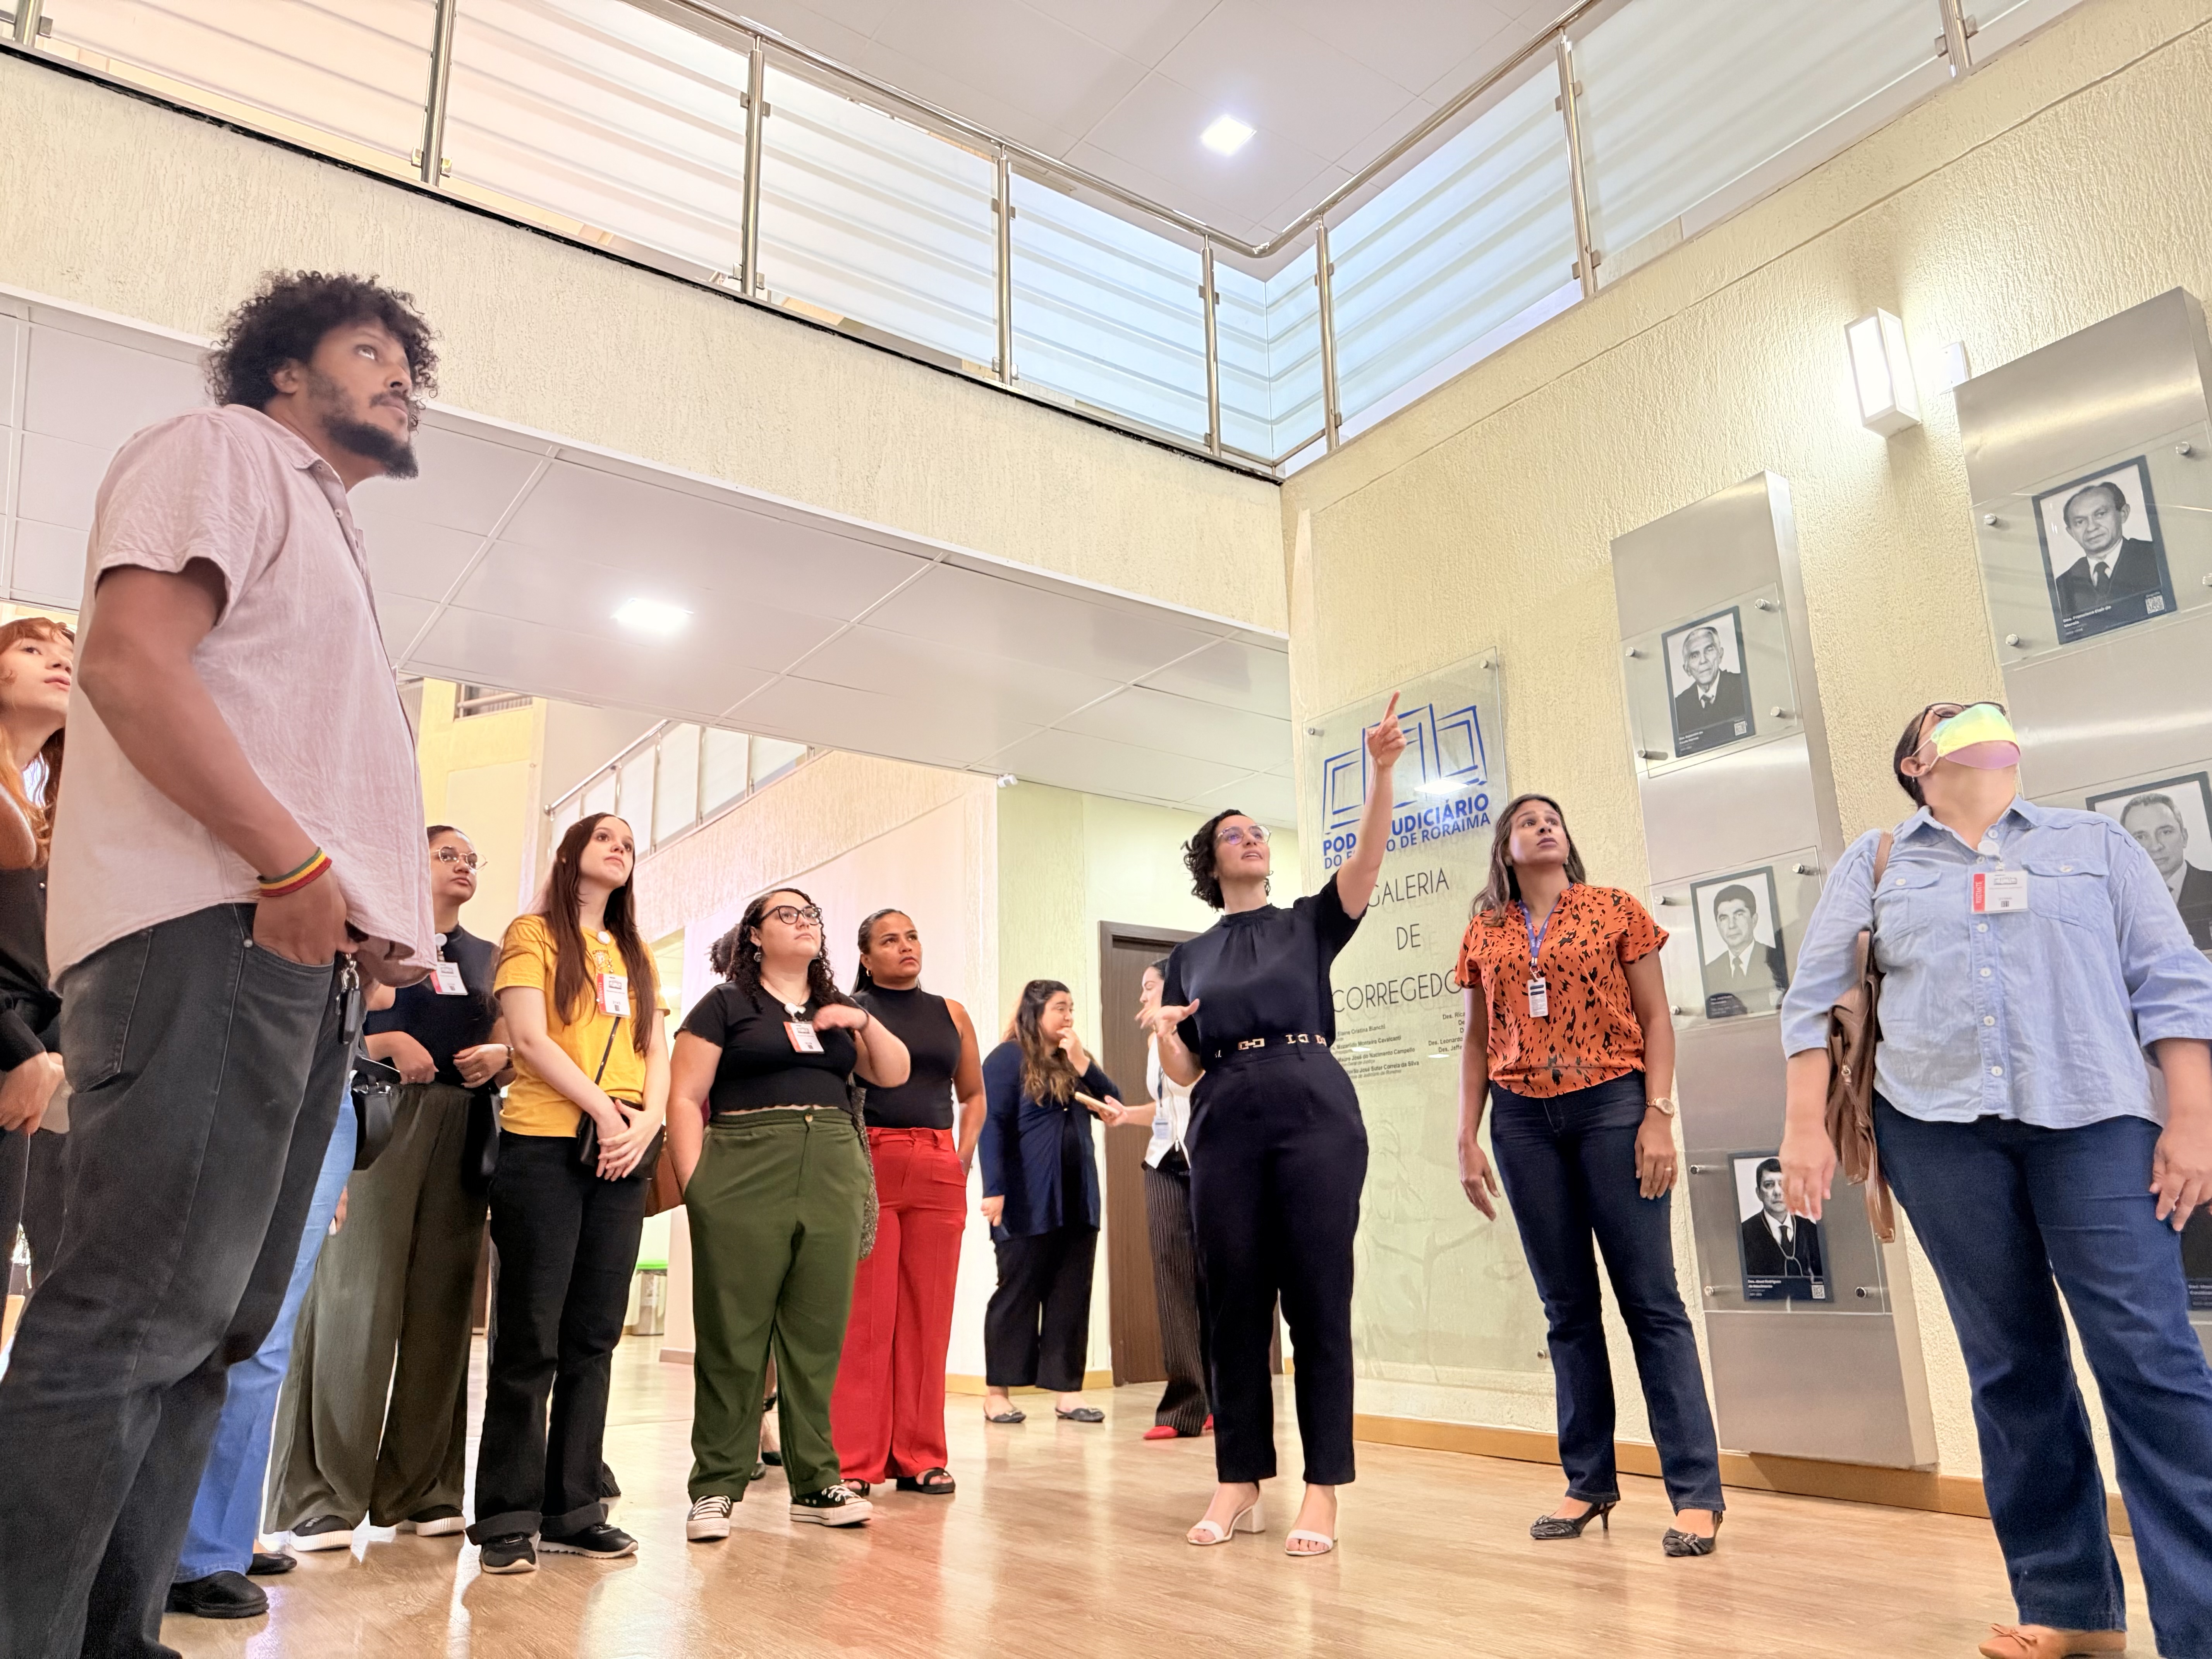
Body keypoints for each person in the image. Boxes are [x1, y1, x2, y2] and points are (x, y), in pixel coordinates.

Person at [0, 271, 437, 1658]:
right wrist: (293, 867)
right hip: (214, 927)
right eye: (369, 352)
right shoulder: (223, 450)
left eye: (411, 367)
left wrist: (357, 919)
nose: (402, 381)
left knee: (212, 1331)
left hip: (289, 956)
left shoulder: (326, 533)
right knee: (133, 1317)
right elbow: (131, 664)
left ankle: (114, 1638)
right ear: (283, 368)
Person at [1780, 699, 2212, 1659]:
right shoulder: (1878, 861)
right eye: (1946, 718)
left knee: (2152, 1361)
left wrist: (2194, 1116)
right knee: (2011, 1364)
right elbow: (1814, 1001)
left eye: (1983, 711)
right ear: (1916, 764)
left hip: (2097, 1122)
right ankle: (2070, 1608)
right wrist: (1804, 1127)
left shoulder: (2095, 843)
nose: (1971, 718)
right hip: (1937, 1135)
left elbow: (2173, 980)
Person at [1144, 694, 1403, 1557]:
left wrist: (1381, 772)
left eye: (1258, 831)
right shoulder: (1187, 957)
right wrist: (1166, 1034)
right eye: (1234, 834)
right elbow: (1186, 1072)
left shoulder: (1307, 922)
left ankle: (1322, 1489)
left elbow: (1368, 859)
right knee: (1233, 1304)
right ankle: (1240, 1478)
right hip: (1225, 1112)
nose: (1252, 839)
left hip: (1313, 1103)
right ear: (1211, 862)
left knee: (1319, 1300)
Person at [1453, 792, 1722, 1558]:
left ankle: (1696, 1494)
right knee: (1566, 1310)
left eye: (1554, 819)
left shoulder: (1614, 909)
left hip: (1612, 1104)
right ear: (1505, 848)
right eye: (1527, 821)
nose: (1544, 826)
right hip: (1520, 1121)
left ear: (1567, 839)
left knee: (1652, 1303)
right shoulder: (1486, 929)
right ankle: (1588, 1481)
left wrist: (1658, 1114)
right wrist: (1465, 1137)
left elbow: (1658, 1018)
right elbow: (1475, 1042)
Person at [270, 826, 513, 1552]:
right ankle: (321, 1493)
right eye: (447, 854)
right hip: (376, 1111)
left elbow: (512, 1039)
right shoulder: (376, 936)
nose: (463, 865)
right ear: (412, 861)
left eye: (472, 857)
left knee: (444, 1305)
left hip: (464, 1122)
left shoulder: (487, 956)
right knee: (355, 1299)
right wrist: (381, 1042)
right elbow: (326, 1021)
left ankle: (424, 1487)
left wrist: (499, 1055)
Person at [668, 888, 909, 1542]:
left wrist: (861, 1022)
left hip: (831, 1164)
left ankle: (816, 1481)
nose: (804, 922)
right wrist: (698, 1188)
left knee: (817, 1333)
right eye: (787, 914)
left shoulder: (839, 1009)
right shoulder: (725, 1004)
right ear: (754, 934)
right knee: (733, 1333)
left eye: (811, 916)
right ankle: (716, 1484)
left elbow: (894, 1071)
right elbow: (685, 1097)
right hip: (745, 1162)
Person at [470, 812, 668, 1575]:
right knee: (530, 1333)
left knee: (595, 1333)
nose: (620, 849)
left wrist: (645, 1123)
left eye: (629, 844)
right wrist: (602, 1111)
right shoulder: (533, 935)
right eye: (605, 838)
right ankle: (506, 1516)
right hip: (548, 1144)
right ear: (571, 854)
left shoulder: (636, 952)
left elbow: (656, 1049)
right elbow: (528, 1038)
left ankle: (575, 1508)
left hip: (623, 1151)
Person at [165, 1087, 355, 1619]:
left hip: (329, 1093)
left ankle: (220, 1543)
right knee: (195, 1316)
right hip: (236, 1078)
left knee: (269, 1334)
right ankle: (171, 1546)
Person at [830, 908, 984, 1496]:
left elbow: (973, 1095)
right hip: (868, 1160)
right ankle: (855, 1460)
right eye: (890, 940)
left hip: (938, 1164)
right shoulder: (850, 1011)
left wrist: (960, 1160)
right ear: (866, 958)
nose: (905, 946)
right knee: (865, 1317)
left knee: (929, 1316)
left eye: (912, 936)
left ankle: (921, 1455)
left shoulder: (952, 1013)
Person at [978, 980, 1126, 1429]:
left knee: (1071, 1294)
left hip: (1077, 1196)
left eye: (1071, 1008)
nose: (1068, 1017)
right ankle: (996, 1394)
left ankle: (1067, 1392)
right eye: (1060, 1008)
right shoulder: (1006, 1059)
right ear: (1035, 1011)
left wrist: (1083, 1062)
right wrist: (994, 1189)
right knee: (1017, 1293)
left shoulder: (1074, 1059)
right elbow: (992, 1124)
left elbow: (1114, 1104)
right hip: (1026, 1196)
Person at [0, 619, 70, 1295]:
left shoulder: (46, 821)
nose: (60, 662)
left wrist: (49, 1055)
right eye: (33, 648)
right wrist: (23, 1050)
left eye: (70, 655)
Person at [1137, 958, 1209, 1441]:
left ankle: (1223, 1400)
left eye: (1149, 987)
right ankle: (1184, 1407)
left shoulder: (1203, 1030)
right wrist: (1128, 1116)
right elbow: (1166, 1106)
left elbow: (1193, 1084)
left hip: (1211, 1158)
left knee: (1219, 1280)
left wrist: (1171, 1034)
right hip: (1164, 1161)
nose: (1143, 997)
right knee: (1172, 1279)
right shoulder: (1152, 1043)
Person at [2053, 480, 2159, 619]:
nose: (2092, 528)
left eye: (2101, 514)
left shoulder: (2155, 556)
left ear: (2123, 513)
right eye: (2080, 522)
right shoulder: (2063, 585)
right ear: (2071, 532)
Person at [2119, 792, 2212, 949]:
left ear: (2184, 837)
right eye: (2140, 837)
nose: (2156, 846)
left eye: (2166, 832)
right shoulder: (2121, 906)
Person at [1701, 881, 1787, 1016]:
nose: (1732, 925)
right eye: (1724, 918)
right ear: (1717, 926)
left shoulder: (1776, 959)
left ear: (1754, 920)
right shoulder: (1710, 971)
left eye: (1739, 915)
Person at [1738, 1157, 1822, 1285]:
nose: (1778, 1192)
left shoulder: (1811, 1231)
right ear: (1759, 1193)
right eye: (1769, 1185)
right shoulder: (1744, 1234)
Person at [1671, 623, 1750, 755]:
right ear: (1687, 669)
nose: (1703, 660)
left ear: (1720, 655)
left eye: (1709, 650)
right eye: (1695, 656)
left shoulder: (1742, 685)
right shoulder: (1679, 706)